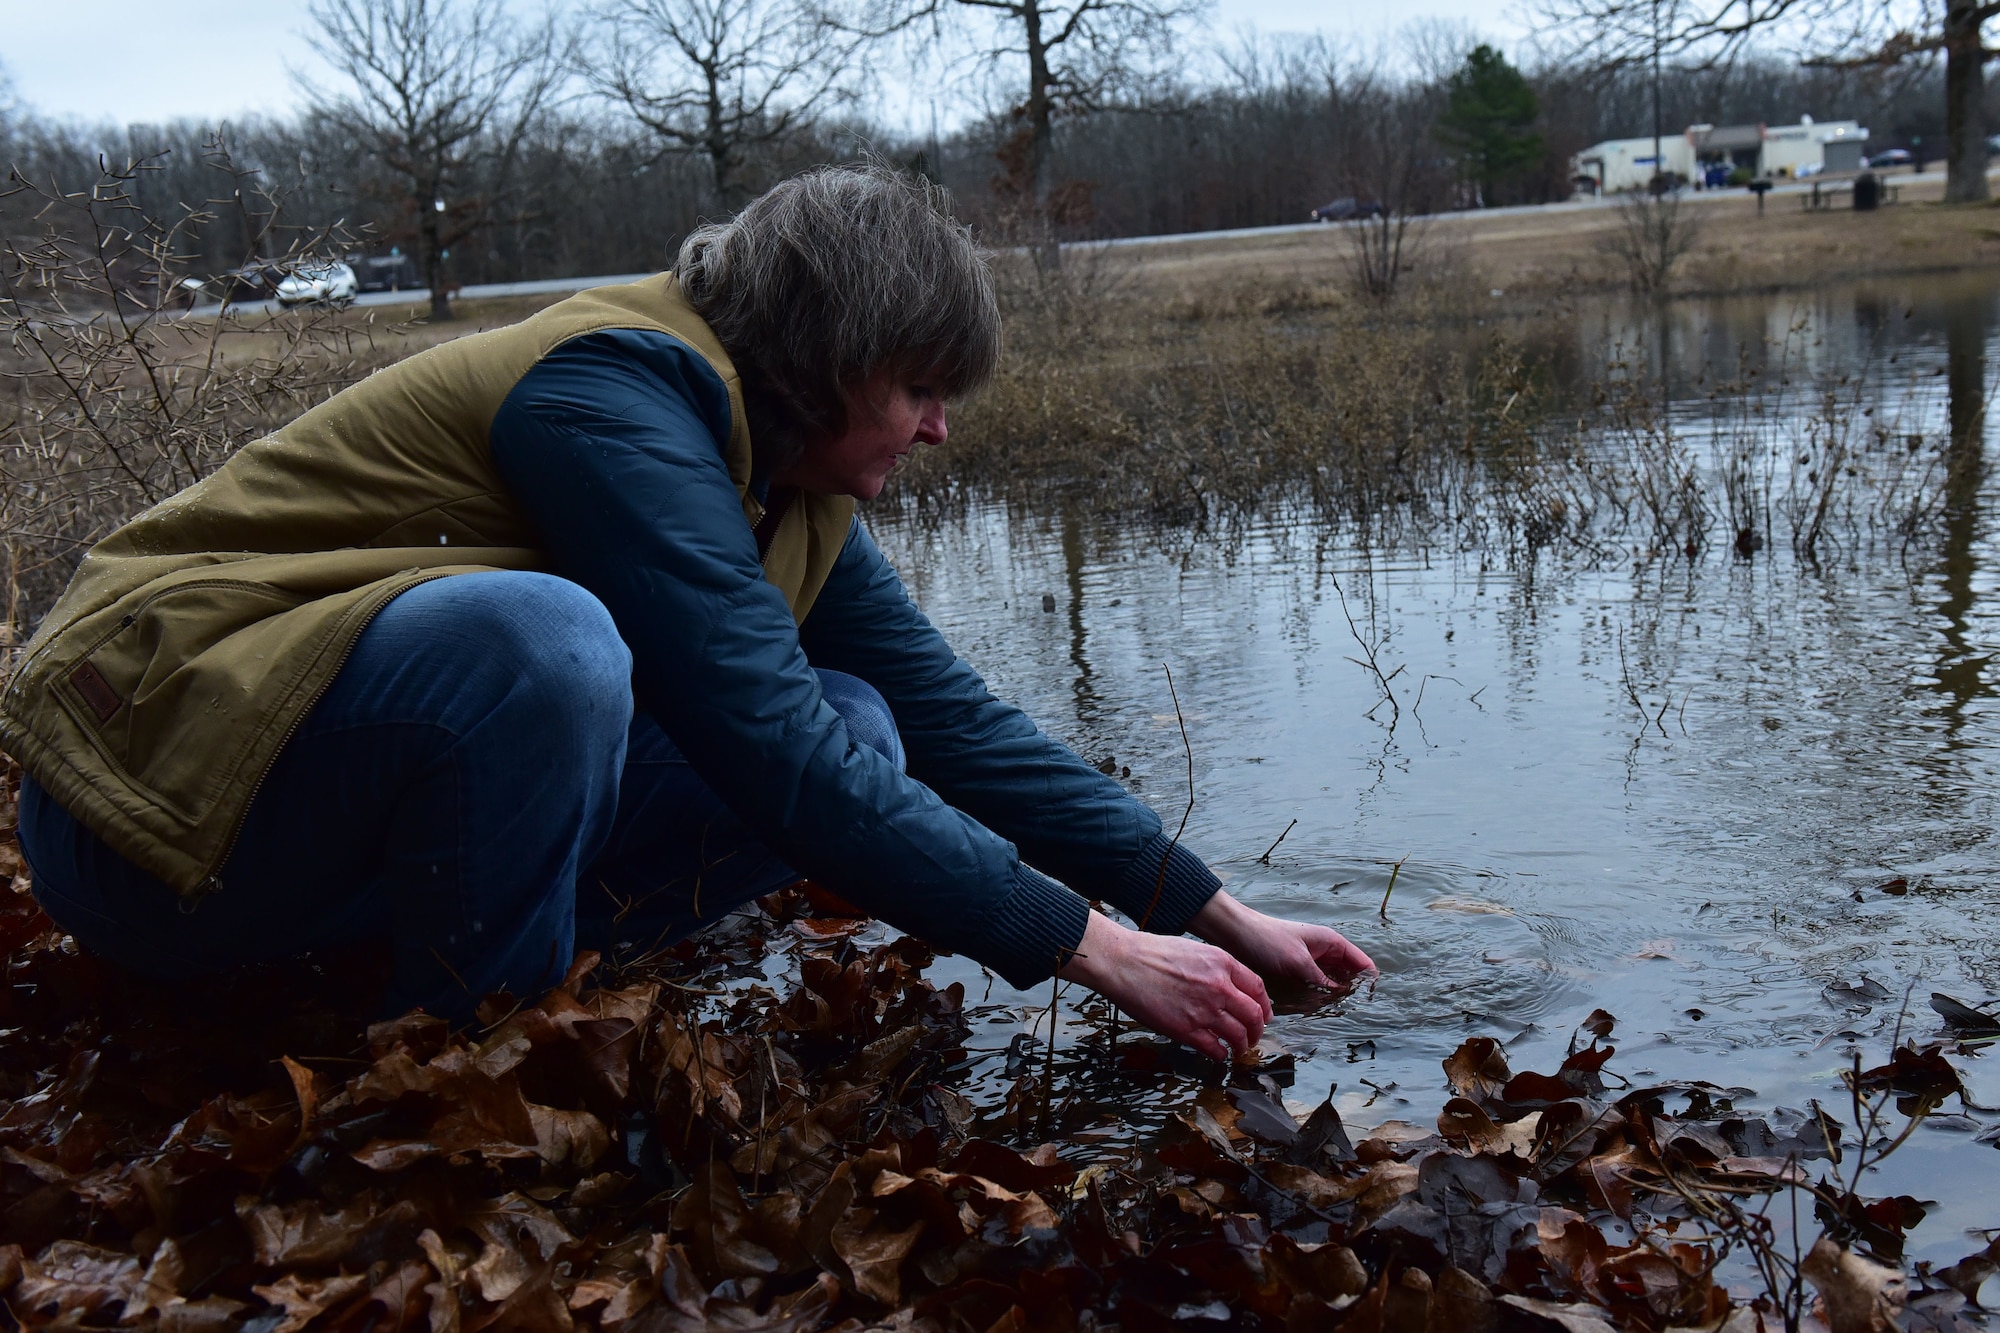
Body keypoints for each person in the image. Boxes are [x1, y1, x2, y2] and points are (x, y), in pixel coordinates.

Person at [1, 164, 1372, 1061]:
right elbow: (763, 742)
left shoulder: (790, 483)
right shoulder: (610, 395)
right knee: (550, 646)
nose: (942, 429)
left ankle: (409, 984)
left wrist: (1211, 909)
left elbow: (963, 726)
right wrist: (1097, 949)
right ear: (835, 358)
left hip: (297, 843)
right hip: (140, 826)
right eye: (920, 389)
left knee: (871, 719)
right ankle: (478, 1054)